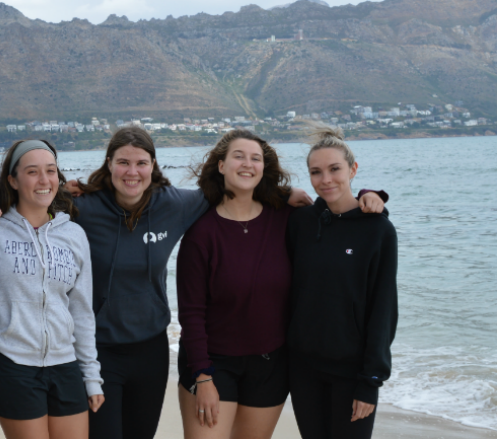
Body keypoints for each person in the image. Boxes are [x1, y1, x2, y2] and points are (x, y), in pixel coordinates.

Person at [68, 126, 313, 439]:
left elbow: (231, 191)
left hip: (151, 348)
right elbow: (32, 198)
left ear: (153, 166)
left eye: (141, 163)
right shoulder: (82, 208)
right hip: (99, 347)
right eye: (123, 162)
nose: (132, 172)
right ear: (108, 164)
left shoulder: (174, 205)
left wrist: (281, 193)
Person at [175, 130, 386, 439]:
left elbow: (339, 215)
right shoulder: (201, 234)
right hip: (214, 364)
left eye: (255, 158)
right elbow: (191, 313)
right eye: (238, 156)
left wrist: (371, 194)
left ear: (263, 168)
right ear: (221, 166)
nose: (247, 164)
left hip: (271, 367)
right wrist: (202, 377)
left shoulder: (288, 218)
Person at [0, 139, 104, 439]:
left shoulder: (74, 234)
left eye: (51, 171)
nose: (44, 180)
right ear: (12, 180)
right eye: (32, 172)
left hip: (66, 365)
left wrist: (91, 376)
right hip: (12, 365)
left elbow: (81, 310)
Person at [286, 125, 398, 439]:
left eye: (335, 169)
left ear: (353, 169)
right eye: (315, 172)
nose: (326, 180)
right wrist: (284, 193)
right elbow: (248, 193)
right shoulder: (300, 222)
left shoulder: (378, 230)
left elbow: (383, 307)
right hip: (302, 369)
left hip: (351, 372)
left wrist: (371, 379)